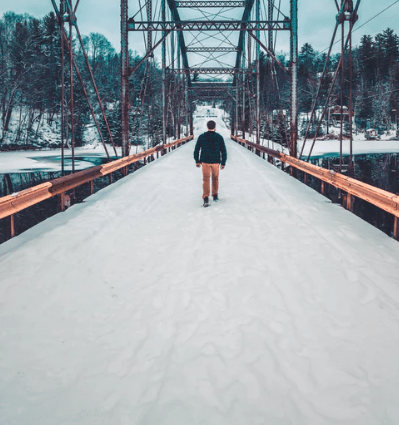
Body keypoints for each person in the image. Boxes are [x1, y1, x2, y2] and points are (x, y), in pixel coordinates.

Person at [194, 120, 227, 207]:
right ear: (215, 127)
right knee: (215, 178)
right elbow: (223, 150)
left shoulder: (202, 136)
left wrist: (197, 161)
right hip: (216, 161)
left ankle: (206, 197)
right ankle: (215, 195)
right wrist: (223, 162)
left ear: (207, 126)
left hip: (205, 161)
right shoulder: (219, 137)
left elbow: (197, 149)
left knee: (206, 179)